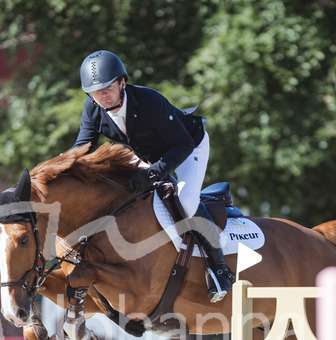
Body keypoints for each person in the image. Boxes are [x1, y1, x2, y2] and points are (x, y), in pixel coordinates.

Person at [71, 49, 233, 301]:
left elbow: (182, 144)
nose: (102, 95)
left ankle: (220, 268)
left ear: (122, 82)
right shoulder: (93, 109)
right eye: (95, 91)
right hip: (149, 154)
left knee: (186, 201)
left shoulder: (148, 101)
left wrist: (156, 172)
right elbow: (80, 149)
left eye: (108, 87)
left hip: (188, 145)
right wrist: (57, 170)